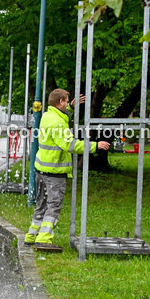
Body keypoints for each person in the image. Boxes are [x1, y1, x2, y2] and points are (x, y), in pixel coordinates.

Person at [25, 89, 110, 252]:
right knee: (53, 206)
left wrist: (70, 108)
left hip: (41, 170)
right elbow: (70, 145)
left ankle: (31, 236)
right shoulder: (57, 122)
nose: (67, 102)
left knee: (41, 205)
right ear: (61, 102)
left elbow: (61, 120)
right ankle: (44, 239)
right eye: (67, 100)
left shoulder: (47, 116)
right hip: (54, 172)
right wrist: (94, 146)